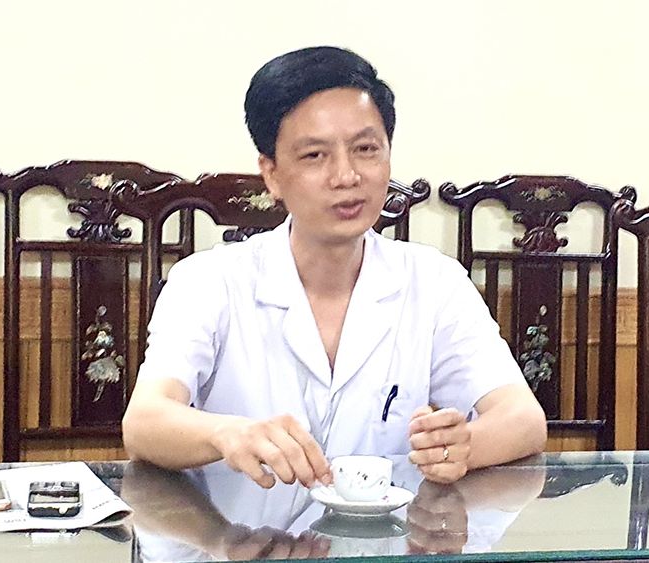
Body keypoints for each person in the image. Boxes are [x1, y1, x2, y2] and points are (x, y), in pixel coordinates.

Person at [122, 46, 546, 488]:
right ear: (272, 174)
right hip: (233, 529)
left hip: (387, 532)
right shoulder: (208, 281)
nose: (346, 176)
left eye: (366, 149)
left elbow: (523, 420)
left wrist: (464, 447)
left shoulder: (434, 282)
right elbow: (145, 422)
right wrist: (225, 433)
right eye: (314, 155)